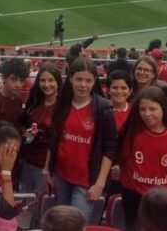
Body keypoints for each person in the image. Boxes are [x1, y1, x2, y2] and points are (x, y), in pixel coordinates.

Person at [45, 57, 117, 224]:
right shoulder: (62, 104)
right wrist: (47, 169)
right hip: (61, 175)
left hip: (86, 180)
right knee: (61, 223)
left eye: (88, 80)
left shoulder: (103, 108)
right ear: (71, 78)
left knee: (76, 224)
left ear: (94, 81)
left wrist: (100, 183)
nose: (83, 85)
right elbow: (54, 138)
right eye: (79, 79)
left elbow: (110, 147)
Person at [118, 87, 167, 231]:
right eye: (143, 109)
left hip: (162, 197)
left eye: (153, 109)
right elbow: (122, 159)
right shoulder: (132, 132)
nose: (147, 114)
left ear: (163, 109)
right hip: (132, 193)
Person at [19, 63, 61, 197]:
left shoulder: (63, 107)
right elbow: (22, 123)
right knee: (25, 198)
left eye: (51, 80)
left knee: (41, 201)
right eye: (43, 80)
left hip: (45, 165)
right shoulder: (34, 102)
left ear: (58, 82)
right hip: (27, 160)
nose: (47, 84)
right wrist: (25, 133)